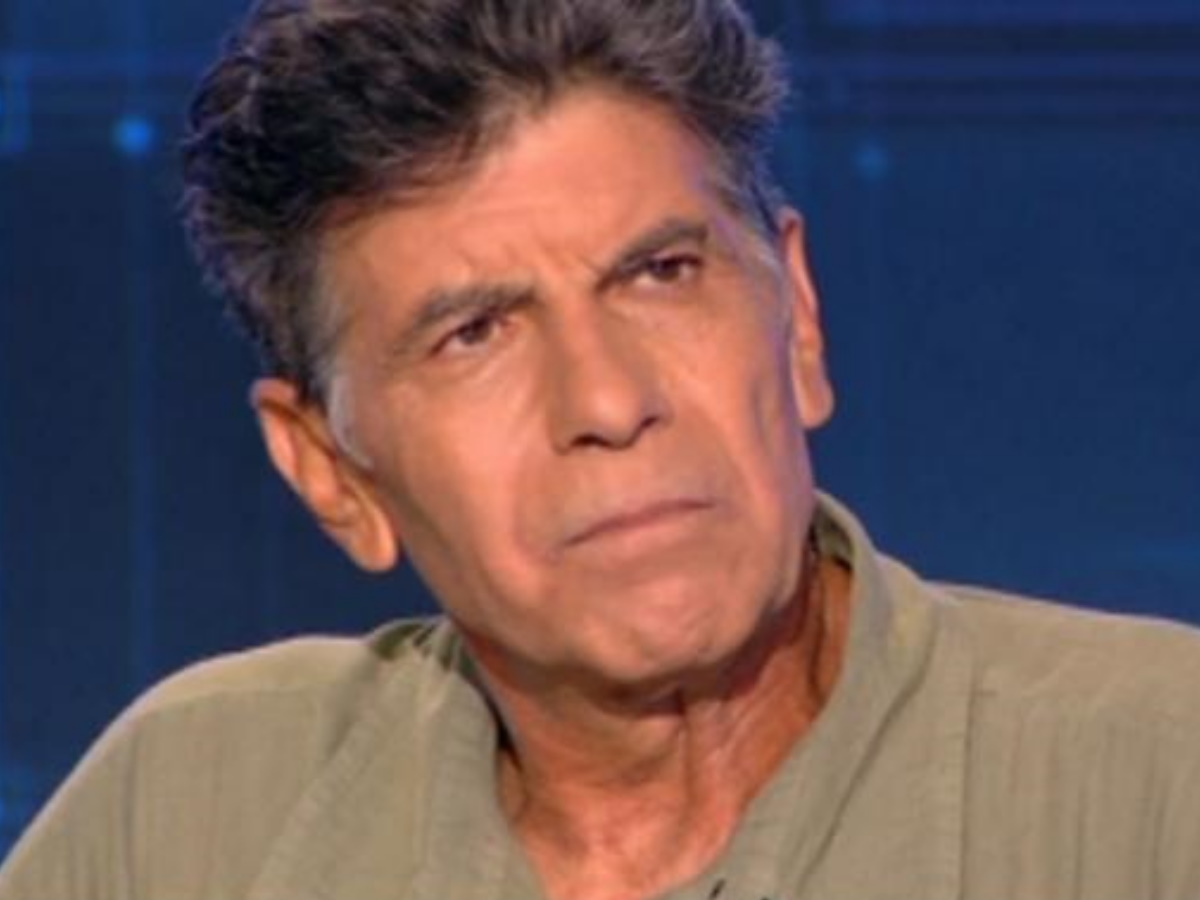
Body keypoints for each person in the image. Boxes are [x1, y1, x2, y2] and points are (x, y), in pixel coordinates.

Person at [1, 0, 1198, 898]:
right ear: (331, 471)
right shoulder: (193, 817)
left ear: (799, 319)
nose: (610, 401)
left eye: (661, 273)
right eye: (475, 334)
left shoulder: (1159, 783)